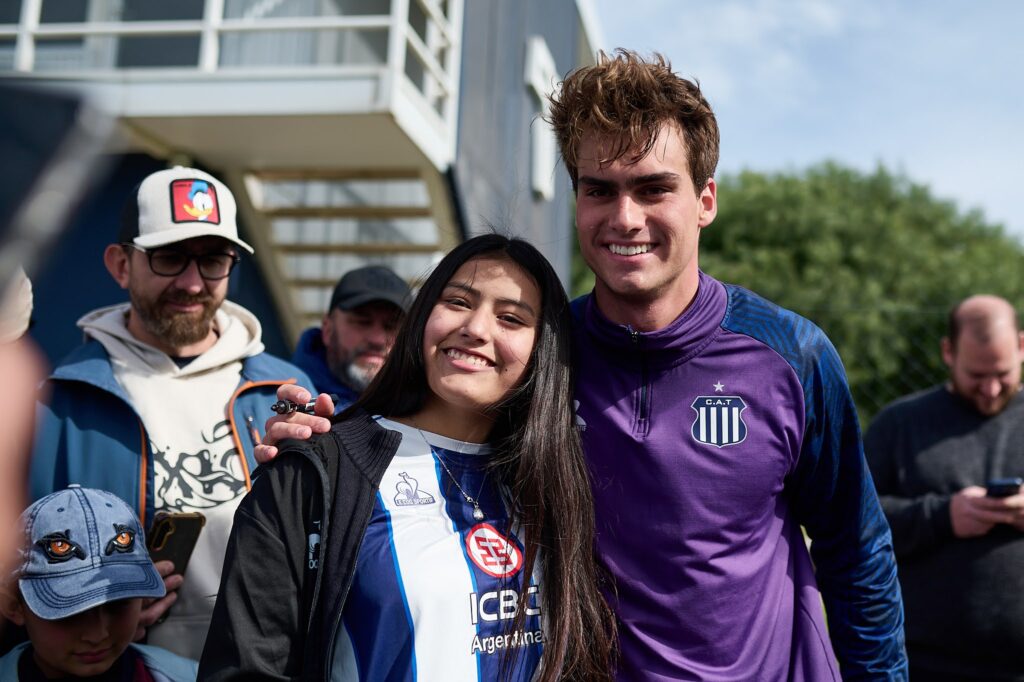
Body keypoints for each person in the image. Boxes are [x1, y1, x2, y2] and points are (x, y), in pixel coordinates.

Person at [259, 50, 907, 679]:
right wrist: (319, 449)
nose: (626, 218)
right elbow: (424, 439)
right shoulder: (539, 354)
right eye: (600, 190)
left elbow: (857, 555)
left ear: (705, 200)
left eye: (654, 188)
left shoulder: (791, 355)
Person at [199, 234, 616, 681]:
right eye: (457, 301)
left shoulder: (557, 479)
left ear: (543, 352)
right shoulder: (317, 471)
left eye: (511, 318)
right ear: (422, 319)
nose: (476, 328)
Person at [28, 166, 315, 660]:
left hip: (265, 665)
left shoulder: (285, 391)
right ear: (121, 265)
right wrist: (92, 617)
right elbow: (22, 571)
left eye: (213, 260)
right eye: (169, 257)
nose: (191, 282)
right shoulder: (59, 403)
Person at [865, 294, 1024, 680]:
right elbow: (851, 527)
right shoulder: (899, 425)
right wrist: (942, 516)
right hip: (925, 666)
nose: (989, 390)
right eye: (976, 376)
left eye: (1001, 374)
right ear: (948, 352)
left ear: (1022, 346)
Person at [0, 485, 197, 680]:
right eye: (69, 614)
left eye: (118, 605)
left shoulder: (192, 675)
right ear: (14, 606)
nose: (97, 635)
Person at [291, 265, 410, 406]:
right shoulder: (280, 400)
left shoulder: (428, 412)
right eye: (363, 322)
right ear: (328, 330)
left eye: (391, 326)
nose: (377, 339)